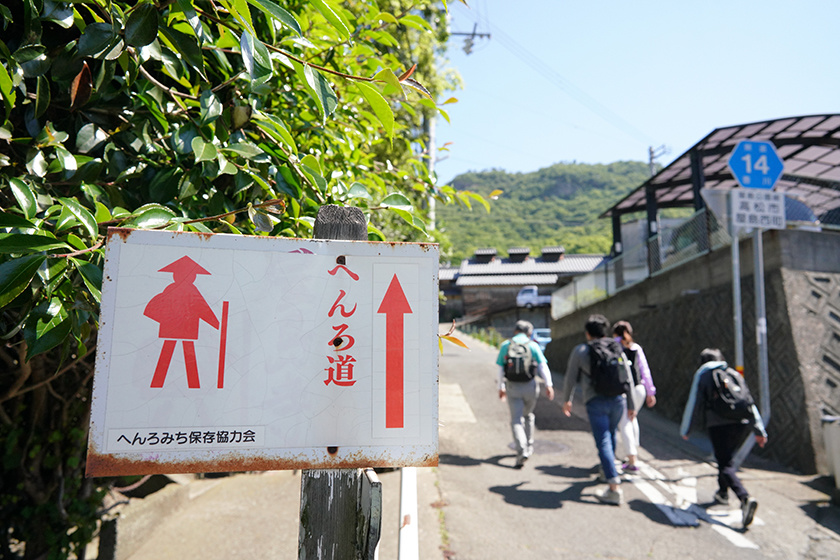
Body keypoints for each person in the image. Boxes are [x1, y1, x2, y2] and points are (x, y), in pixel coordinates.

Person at [679, 348, 768, 529]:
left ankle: (744, 498)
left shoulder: (704, 375)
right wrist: (759, 431)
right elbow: (749, 402)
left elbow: (695, 403)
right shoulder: (734, 373)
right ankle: (722, 493)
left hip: (718, 424)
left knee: (725, 463)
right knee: (725, 458)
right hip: (740, 424)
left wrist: (687, 429)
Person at [562, 314, 635, 505]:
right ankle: (605, 471)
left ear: (587, 333)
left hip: (595, 401)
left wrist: (566, 400)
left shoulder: (581, 350)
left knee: (602, 441)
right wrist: (632, 404)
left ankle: (613, 487)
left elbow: (570, 377)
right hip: (618, 400)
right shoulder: (615, 347)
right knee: (610, 435)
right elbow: (627, 376)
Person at [496, 320, 555, 468]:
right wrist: (549, 385)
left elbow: (500, 369)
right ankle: (528, 447)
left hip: (512, 387)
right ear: (529, 332)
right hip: (530, 386)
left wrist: (500, 387)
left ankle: (521, 450)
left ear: (515, 331)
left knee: (516, 420)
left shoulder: (506, 345)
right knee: (528, 415)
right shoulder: (533, 345)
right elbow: (543, 367)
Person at [612, 320, 657, 474]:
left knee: (624, 422)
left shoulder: (615, 346)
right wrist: (651, 392)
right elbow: (645, 371)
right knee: (633, 418)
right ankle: (634, 451)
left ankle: (632, 460)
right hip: (640, 389)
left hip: (625, 390)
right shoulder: (636, 347)